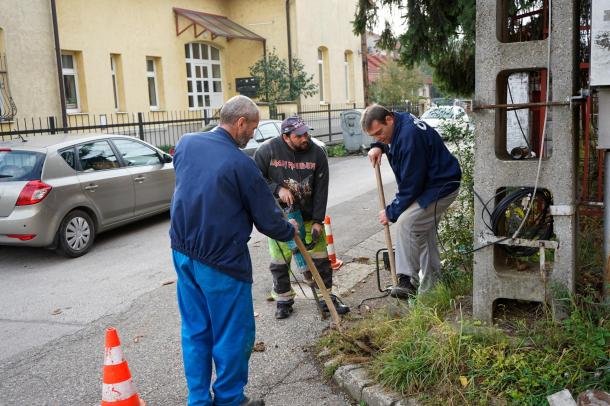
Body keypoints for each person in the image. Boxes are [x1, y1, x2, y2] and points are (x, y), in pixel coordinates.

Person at [170, 95, 297, 406]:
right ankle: (229, 399)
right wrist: (288, 229)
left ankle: (198, 401)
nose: (252, 134)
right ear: (240, 123)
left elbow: (191, 182)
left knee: (196, 329)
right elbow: (268, 220)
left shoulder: (186, 143)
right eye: (252, 128)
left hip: (183, 251)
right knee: (232, 334)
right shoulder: (242, 164)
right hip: (221, 261)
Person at [254, 116, 350, 319]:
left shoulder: (317, 153)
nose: (305, 137)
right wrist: (277, 188)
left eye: (306, 133)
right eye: (300, 135)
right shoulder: (267, 151)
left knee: (320, 259)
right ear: (286, 137)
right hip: (280, 217)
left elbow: (321, 191)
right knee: (280, 261)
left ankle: (326, 298)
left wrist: (317, 221)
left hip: (307, 215)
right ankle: (284, 300)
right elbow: (255, 180)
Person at [361, 104, 462, 299]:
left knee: (407, 222)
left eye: (379, 133)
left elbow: (410, 187)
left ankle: (407, 281)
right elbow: (389, 137)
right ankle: (434, 287)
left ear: (389, 119)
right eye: (373, 136)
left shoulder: (409, 137)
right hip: (432, 184)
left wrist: (391, 213)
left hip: (440, 187)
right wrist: (377, 147)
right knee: (423, 235)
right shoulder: (399, 121)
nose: (379, 137)